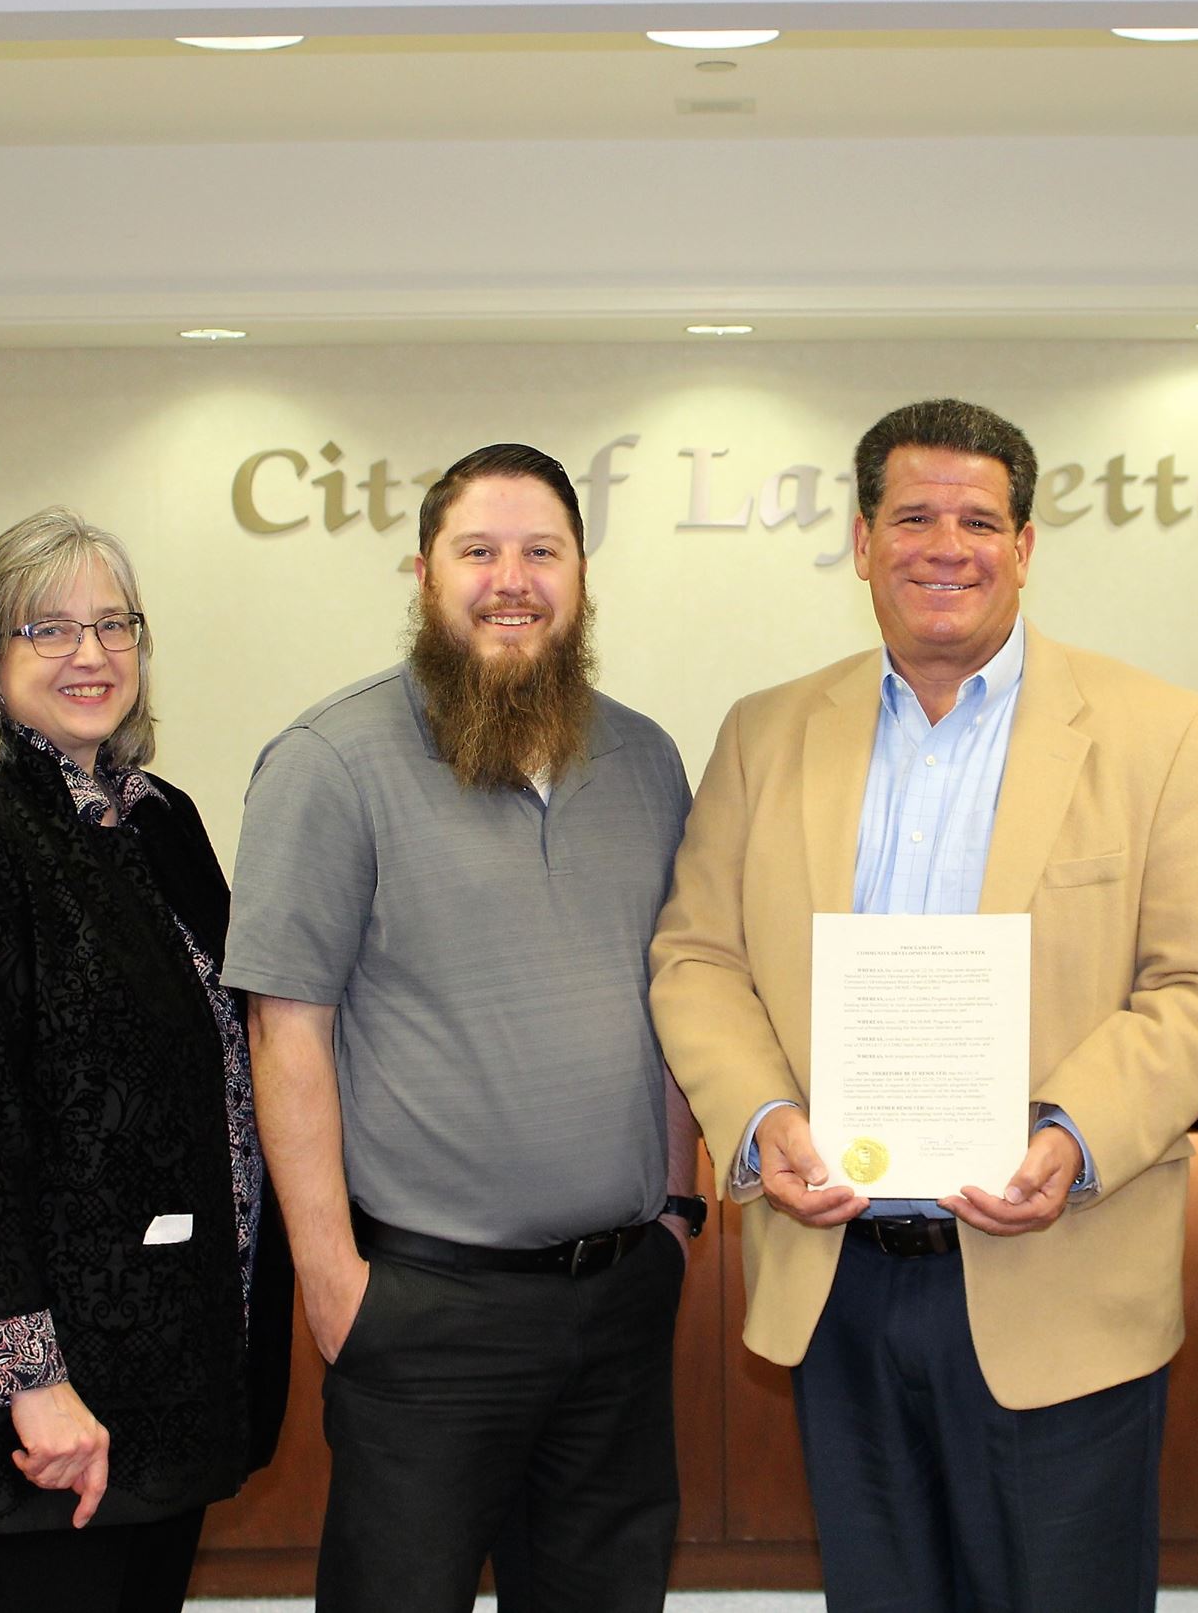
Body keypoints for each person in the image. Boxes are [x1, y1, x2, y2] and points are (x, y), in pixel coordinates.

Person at [649, 398, 1198, 1612]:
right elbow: (696, 957)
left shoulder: (1162, 734)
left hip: (1061, 1270)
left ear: (1025, 546)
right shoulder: (764, 732)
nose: (947, 545)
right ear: (863, 540)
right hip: (842, 1274)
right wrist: (762, 1115)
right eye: (914, 516)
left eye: (979, 520)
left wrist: (1071, 1135)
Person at [223, 443, 701, 1613]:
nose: (511, 578)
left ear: (582, 573)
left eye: (541, 550)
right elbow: (286, 1031)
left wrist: (680, 1211)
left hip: (621, 1299)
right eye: (477, 550)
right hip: (428, 1314)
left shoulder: (644, 757)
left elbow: (686, 987)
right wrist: (333, 1277)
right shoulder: (328, 763)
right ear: (424, 574)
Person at [0, 509, 292, 1613]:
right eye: (48, 629)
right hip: (34, 1420)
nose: (91, 653)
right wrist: (30, 1382)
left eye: (114, 623)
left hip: (157, 1383)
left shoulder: (160, 820)